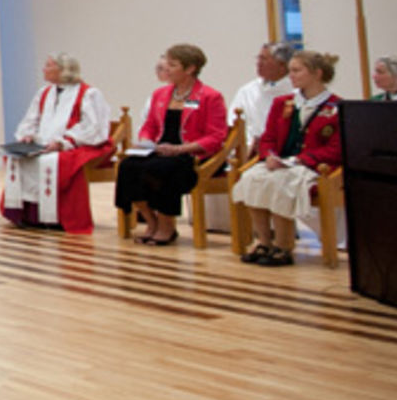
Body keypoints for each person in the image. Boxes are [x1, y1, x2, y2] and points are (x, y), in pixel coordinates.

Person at [233, 49, 344, 266]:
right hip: (280, 163)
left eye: (296, 71)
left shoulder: (337, 107)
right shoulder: (282, 103)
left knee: (280, 182)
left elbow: (337, 149)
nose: (291, 75)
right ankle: (265, 241)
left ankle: (284, 246)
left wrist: (301, 159)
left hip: (314, 166)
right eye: (291, 71)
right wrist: (269, 155)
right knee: (252, 178)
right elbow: (268, 138)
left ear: (317, 73)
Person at [114, 43, 229, 246]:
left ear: (190, 68)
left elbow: (216, 136)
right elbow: (149, 125)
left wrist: (180, 149)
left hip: (192, 155)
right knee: (128, 166)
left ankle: (167, 226)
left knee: (163, 169)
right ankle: (152, 221)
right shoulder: (161, 94)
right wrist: (147, 141)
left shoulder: (210, 97)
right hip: (161, 150)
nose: (166, 69)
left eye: (172, 65)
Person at [1, 52, 112, 234]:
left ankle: (58, 218)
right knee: (18, 158)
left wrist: (64, 142)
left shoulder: (88, 93)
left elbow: (93, 126)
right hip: (45, 143)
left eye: (48, 65)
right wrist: (28, 135)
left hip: (75, 144)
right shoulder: (45, 92)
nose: (44, 69)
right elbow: (31, 119)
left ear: (63, 70)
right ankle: (29, 216)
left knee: (59, 162)